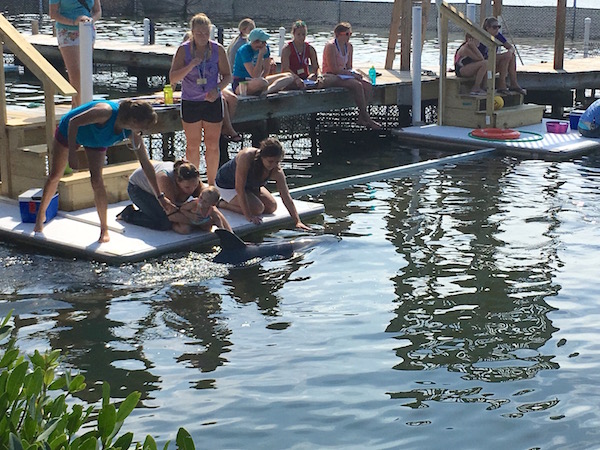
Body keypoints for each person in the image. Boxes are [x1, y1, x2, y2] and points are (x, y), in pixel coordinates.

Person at [33, 99, 159, 243]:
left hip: (96, 140)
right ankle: (40, 216)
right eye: (142, 128)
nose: (142, 132)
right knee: (55, 175)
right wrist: (73, 153)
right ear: (134, 120)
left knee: (97, 180)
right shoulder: (105, 112)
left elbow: (145, 164)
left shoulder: (132, 131)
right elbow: (73, 122)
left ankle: (104, 229)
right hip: (69, 131)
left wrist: (159, 196)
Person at [169, 13, 231, 186]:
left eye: (206, 33)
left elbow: (228, 76)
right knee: (192, 145)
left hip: (212, 101)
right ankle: (194, 184)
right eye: (199, 34)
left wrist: (217, 89)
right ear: (192, 33)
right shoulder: (184, 49)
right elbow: (173, 78)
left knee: (212, 145)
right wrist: (190, 66)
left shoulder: (217, 49)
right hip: (191, 101)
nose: (203, 37)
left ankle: (212, 184)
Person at [215, 137, 310, 230]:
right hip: (227, 185)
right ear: (262, 157)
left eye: (277, 162)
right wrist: (249, 215)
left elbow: (285, 195)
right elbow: (239, 188)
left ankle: (246, 201)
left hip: (250, 187)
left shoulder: (276, 169)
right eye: (270, 161)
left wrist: (297, 221)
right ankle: (222, 204)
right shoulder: (246, 157)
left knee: (271, 207)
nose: (273, 165)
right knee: (257, 209)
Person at [119, 160, 232, 233]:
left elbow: (213, 208)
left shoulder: (193, 181)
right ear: (178, 181)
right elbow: (171, 215)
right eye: (187, 187)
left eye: (194, 185)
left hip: (162, 191)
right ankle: (128, 214)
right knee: (164, 223)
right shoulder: (165, 180)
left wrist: (230, 234)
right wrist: (200, 222)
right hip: (138, 189)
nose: (192, 190)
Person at [321, 22, 381, 129]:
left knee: (367, 84)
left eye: (350, 34)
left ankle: (361, 117)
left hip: (344, 74)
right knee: (356, 85)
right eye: (347, 34)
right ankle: (367, 117)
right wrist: (350, 74)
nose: (349, 37)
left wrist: (354, 73)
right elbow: (333, 69)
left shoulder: (349, 47)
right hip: (331, 76)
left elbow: (349, 66)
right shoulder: (331, 46)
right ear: (339, 34)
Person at [49, 0, 102, 108]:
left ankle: (75, 106)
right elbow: (53, 14)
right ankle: (81, 109)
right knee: (75, 73)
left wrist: (91, 20)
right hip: (66, 31)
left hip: (87, 29)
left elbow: (97, 11)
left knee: (85, 71)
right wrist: (74, 21)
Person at [232, 28, 303, 96]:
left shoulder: (266, 48)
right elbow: (254, 75)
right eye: (263, 42)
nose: (264, 44)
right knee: (263, 83)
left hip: (258, 80)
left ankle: (267, 91)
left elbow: (266, 70)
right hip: (241, 82)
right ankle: (265, 89)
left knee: (289, 76)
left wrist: (262, 77)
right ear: (256, 41)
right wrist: (260, 55)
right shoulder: (244, 50)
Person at [479, 17, 527, 95]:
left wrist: (509, 52)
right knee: (506, 57)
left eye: (499, 27)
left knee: (511, 56)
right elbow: (483, 57)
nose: (497, 29)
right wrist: (506, 55)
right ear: (487, 28)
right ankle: (501, 84)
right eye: (494, 27)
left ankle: (513, 83)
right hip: (483, 64)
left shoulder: (498, 35)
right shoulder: (481, 37)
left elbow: (510, 47)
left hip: (492, 62)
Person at [280, 20, 321, 88]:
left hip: (305, 77)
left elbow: (316, 67)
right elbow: (285, 68)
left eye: (303, 34)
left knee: (315, 77)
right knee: (289, 79)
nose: (301, 37)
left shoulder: (310, 48)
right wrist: (296, 78)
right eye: (298, 34)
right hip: (291, 77)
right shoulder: (287, 49)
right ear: (293, 34)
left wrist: (319, 76)